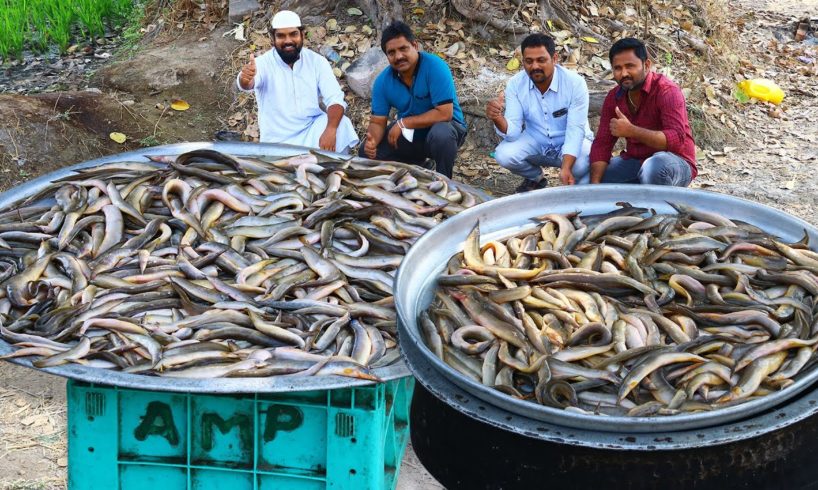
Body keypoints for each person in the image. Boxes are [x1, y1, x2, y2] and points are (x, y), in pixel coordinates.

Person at [236, 10, 359, 153]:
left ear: (302, 35)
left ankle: (336, 170)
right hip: (277, 144)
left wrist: (330, 130)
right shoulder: (262, 64)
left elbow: (335, 99)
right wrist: (245, 79)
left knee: (341, 124)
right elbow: (247, 83)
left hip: (310, 133)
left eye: (293, 34)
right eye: (281, 36)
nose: (288, 40)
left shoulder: (316, 62)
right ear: (272, 39)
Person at [487, 33, 594, 192]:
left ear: (555, 58)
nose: (535, 66)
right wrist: (497, 118)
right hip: (536, 139)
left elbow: (575, 130)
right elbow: (513, 132)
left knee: (584, 161)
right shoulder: (516, 84)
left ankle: (579, 188)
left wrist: (566, 168)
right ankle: (535, 178)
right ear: (523, 61)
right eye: (529, 61)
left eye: (541, 60)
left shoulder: (575, 83)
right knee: (504, 155)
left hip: (570, 140)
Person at [360, 21, 467, 178]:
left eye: (403, 48)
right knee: (365, 154)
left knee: (441, 134)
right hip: (412, 134)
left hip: (448, 128)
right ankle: (418, 167)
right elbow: (377, 122)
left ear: (415, 46)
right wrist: (372, 142)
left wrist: (403, 123)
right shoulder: (383, 82)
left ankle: (445, 182)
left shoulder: (435, 66)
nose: (398, 56)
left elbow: (444, 114)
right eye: (391, 52)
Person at [588, 37, 697, 185]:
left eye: (630, 66)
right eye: (618, 68)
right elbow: (602, 144)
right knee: (591, 177)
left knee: (654, 169)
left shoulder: (667, 91)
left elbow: (676, 140)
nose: (624, 73)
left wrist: (632, 131)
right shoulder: (614, 97)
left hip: (675, 163)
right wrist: (594, 187)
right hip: (635, 162)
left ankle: (662, 205)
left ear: (646, 65)